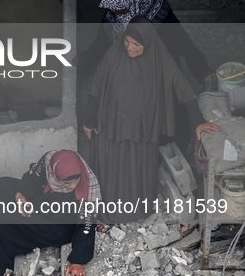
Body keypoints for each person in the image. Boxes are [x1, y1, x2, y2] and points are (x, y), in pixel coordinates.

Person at [83, 17, 219, 224]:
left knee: (137, 168)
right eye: (127, 41)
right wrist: (90, 121)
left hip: (142, 129)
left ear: (148, 41)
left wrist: (198, 121)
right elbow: (95, 90)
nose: (130, 47)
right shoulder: (113, 55)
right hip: (110, 127)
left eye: (137, 44)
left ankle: (136, 213)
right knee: (113, 168)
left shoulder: (161, 59)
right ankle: (108, 214)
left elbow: (183, 89)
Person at [0, 150, 101, 276]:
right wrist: (21, 194)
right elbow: (32, 178)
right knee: (2, 184)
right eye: (67, 183)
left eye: (76, 181)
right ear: (55, 174)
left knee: (5, 221)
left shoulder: (88, 191)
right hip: (45, 202)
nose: (73, 186)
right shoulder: (49, 160)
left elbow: (86, 226)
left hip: (59, 226)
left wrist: (78, 260)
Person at [77, 0, 215, 85]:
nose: (115, 12)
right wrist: (85, 59)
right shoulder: (114, 13)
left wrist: (203, 72)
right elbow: (102, 42)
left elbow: (184, 44)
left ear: (134, 1)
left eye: (120, 8)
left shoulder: (160, 16)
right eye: (111, 8)